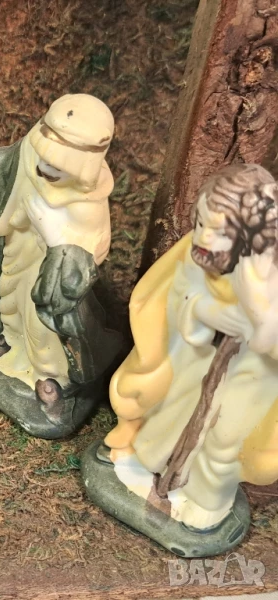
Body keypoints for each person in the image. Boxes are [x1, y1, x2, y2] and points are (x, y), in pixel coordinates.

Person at [0, 95, 122, 438]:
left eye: (58, 168)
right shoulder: (29, 154)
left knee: (41, 323)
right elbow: (1, 169)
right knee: (9, 299)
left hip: (51, 274)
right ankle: (11, 342)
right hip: (19, 249)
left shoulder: (88, 201)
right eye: (43, 160)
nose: (45, 170)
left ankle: (51, 376)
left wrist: (54, 235)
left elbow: (89, 252)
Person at [104, 164, 278, 532]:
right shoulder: (196, 255)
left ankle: (208, 502)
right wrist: (206, 311)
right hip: (195, 362)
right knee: (171, 410)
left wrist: (256, 315)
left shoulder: (267, 279)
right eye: (200, 223)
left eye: (219, 232)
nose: (203, 238)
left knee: (224, 439)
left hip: (251, 380)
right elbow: (180, 291)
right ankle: (152, 464)